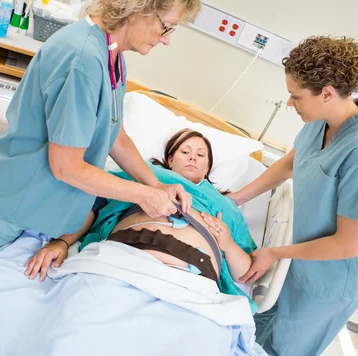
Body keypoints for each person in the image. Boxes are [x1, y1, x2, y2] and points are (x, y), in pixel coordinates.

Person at [0, 0, 201, 279]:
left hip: (48, 205)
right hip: (15, 199)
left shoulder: (113, 55)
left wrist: (158, 185)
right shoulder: (82, 60)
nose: (167, 38)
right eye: (166, 26)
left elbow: (115, 134)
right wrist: (144, 196)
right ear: (139, 7)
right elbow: (65, 165)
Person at [227, 36, 358, 355]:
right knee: (256, 333)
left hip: (331, 280)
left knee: (286, 348)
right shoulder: (321, 121)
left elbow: (348, 244)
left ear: (327, 93)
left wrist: (276, 253)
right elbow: (292, 162)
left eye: (295, 96)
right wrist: (238, 197)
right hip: (301, 257)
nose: (290, 104)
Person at [24, 129, 260, 311]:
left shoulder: (226, 206)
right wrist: (62, 243)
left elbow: (244, 273)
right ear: (169, 160)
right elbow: (92, 206)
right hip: (121, 259)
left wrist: (227, 243)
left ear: (208, 166)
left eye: (201, 155)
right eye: (185, 152)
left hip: (192, 283)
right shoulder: (142, 174)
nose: (193, 158)